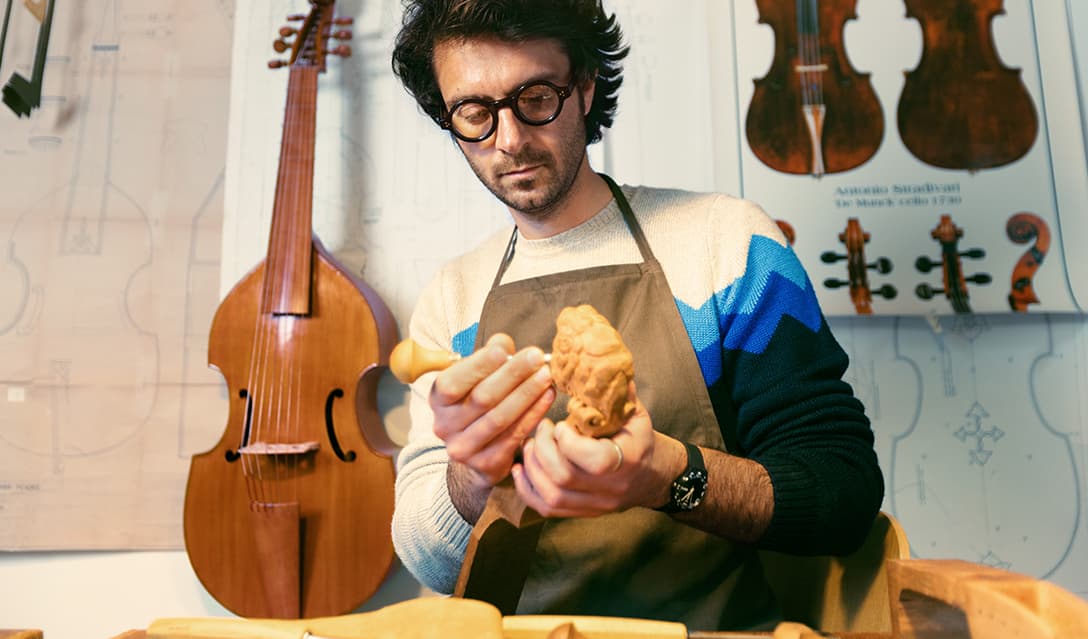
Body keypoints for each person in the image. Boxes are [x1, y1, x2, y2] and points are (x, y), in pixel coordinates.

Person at [388, 0, 884, 630]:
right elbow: (428, 562)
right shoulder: (451, 297)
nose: (508, 140)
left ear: (586, 85)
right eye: (475, 114)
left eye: (536, 97)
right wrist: (470, 477)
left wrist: (668, 477)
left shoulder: (728, 245)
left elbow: (843, 493)